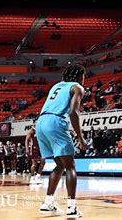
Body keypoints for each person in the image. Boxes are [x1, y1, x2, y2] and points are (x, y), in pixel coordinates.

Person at [35, 64, 86, 217]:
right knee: (71, 166)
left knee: (60, 165)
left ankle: (48, 203)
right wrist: (80, 137)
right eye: (83, 76)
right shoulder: (77, 87)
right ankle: (72, 208)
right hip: (55, 121)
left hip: (41, 122)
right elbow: (72, 112)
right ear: (78, 76)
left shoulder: (56, 86)